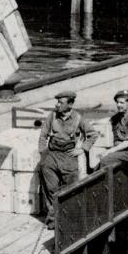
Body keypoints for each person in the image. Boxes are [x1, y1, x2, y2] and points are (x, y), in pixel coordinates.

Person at [37, 90, 97, 227]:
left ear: (70, 104)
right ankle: (53, 221)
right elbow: (43, 136)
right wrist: (43, 154)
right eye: (57, 102)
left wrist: (82, 149)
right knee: (51, 189)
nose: (57, 105)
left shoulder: (78, 118)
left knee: (70, 189)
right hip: (51, 155)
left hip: (69, 157)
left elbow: (93, 134)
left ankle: (69, 220)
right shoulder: (52, 116)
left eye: (60, 102)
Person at [97, 89, 128, 171]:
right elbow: (109, 120)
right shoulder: (122, 114)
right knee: (97, 157)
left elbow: (127, 143)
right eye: (117, 102)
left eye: (121, 103)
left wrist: (109, 151)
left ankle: (107, 182)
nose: (118, 105)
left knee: (105, 160)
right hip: (120, 147)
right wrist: (93, 123)